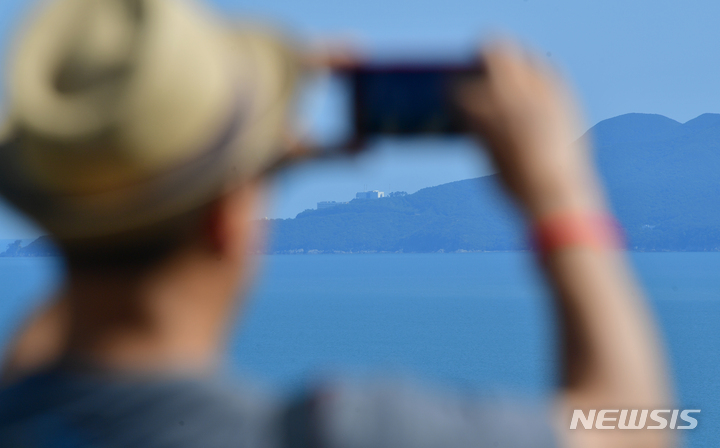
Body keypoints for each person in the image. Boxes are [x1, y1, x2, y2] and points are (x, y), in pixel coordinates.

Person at [0, 0, 673, 447]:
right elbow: (632, 427)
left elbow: (67, 307)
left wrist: (203, 171)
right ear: (228, 222)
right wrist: (563, 197)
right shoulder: (331, 434)